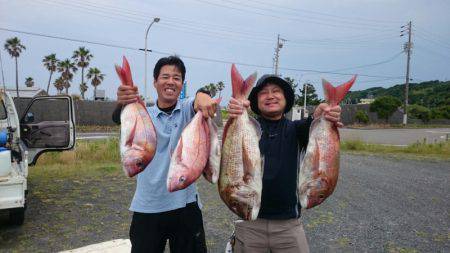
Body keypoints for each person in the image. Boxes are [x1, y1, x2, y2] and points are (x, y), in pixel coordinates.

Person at [227, 74, 343, 253]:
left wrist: (323, 115)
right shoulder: (248, 130)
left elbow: (313, 125)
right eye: (263, 93)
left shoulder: (297, 130)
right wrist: (235, 113)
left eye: (276, 91)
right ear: (255, 102)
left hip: (289, 227)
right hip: (250, 223)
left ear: (285, 99)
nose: (270, 96)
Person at [113, 56, 217, 253]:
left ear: (182, 84)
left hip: (186, 206)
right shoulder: (144, 113)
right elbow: (117, 118)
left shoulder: (188, 110)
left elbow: (199, 102)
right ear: (155, 82)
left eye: (176, 78)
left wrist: (203, 95)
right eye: (165, 77)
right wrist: (122, 102)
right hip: (148, 207)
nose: (170, 82)